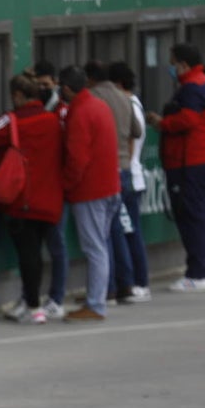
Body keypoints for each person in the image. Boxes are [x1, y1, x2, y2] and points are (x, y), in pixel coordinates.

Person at [0, 61, 69, 320]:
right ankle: (31, 300)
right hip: (50, 199)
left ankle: (33, 307)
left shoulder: (12, 121)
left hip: (23, 199)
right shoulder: (53, 121)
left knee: (28, 254)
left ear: (19, 95)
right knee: (41, 252)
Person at [146, 43, 205, 293]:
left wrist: (162, 122)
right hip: (202, 159)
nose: (171, 67)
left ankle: (197, 273)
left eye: (173, 62)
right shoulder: (202, 82)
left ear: (183, 64)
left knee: (193, 217)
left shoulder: (192, 87)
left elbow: (188, 119)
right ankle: (201, 271)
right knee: (200, 216)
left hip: (191, 162)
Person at [59, 64, 121, 321]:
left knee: (94, 248)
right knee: (100, 247)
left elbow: (77, 158)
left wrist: (65, 185)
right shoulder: (98, 105)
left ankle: (96, 304)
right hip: (110, 187)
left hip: (90, 191)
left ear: (65, 88)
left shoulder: (79, 112)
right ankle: (97, 297)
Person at [86, 60, 143, 303]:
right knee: (119, 228)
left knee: (103, 232)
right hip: (124, 168)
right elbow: (137, 131)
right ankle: (126, 284)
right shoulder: (123, 97)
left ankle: (106, 288)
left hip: (103, 170)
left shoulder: (91, 98)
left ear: (90, 79)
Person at [109, 61, 152, 302]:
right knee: (128, 230)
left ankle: (138, 282)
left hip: (129, 177)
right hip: (131, 176)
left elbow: (130, 143)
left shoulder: (129, 106)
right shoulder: (132, 104)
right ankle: (133, 281)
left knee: (129, 231)